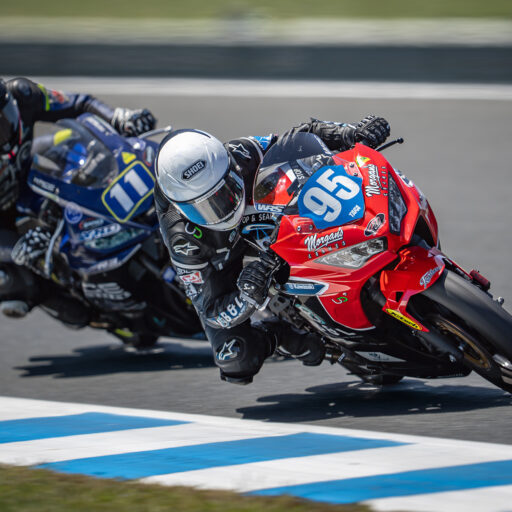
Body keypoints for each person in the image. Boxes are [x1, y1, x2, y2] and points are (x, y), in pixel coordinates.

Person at [154, 115, 390, 384]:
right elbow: (212, 312)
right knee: (235, 357)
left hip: (265, 217)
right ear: (183, 207)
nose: (223, 208)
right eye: (205, 206)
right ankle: (285, 335)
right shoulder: (182, 239)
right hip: (222, 258)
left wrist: (350, 133)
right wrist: (247, 295)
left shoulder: (240, 153)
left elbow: (300, 139)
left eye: (224, 191)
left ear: (229, 167)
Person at [0, 77, 156, 317]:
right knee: (15, 280)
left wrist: (117, 117)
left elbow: (79, 104)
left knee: (74, 143)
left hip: (29, 169)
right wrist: (17, 249)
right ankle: (82, 303)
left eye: (2, 120)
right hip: (4, 220)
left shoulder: (22, 93)